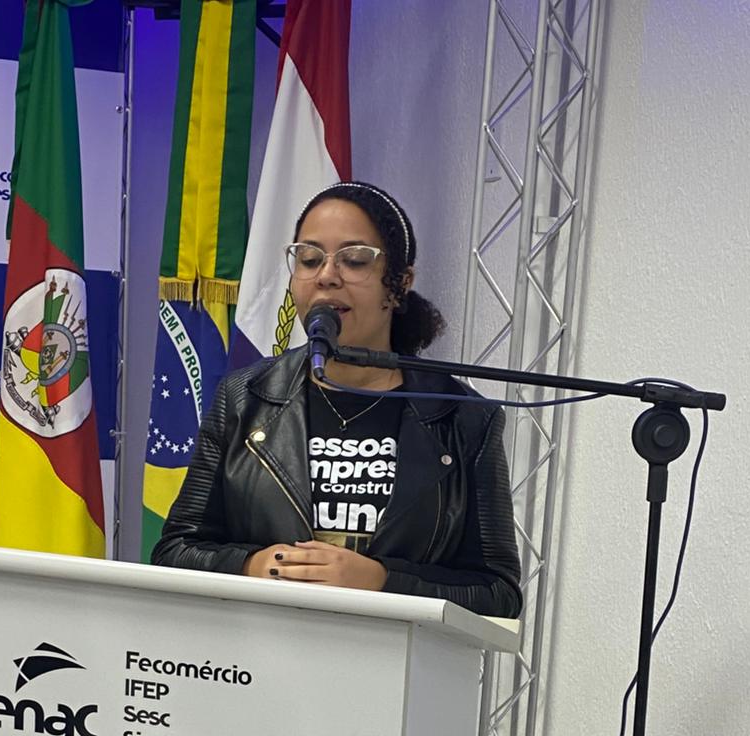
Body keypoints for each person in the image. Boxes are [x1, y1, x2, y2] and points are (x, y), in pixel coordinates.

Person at [151, 181, 522, 619]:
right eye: (309, 259)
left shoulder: (462, 417)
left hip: (391, 658)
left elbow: (498, 593)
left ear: (399, 284)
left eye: (355, 259)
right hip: (259, 649)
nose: (327, 275)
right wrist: (253, 566)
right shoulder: (243, 398)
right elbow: (175, 551)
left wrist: (382, 581)